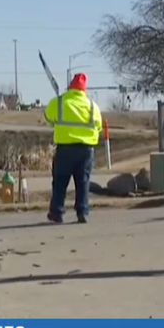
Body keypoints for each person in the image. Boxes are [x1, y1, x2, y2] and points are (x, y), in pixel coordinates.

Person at [43, 73, 103, 224]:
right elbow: (99, 126)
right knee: (83, 181)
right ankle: (82, 212)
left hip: (65, 148)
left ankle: (57, 212)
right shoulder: (92, 106)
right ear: (84, 89)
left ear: (70, 86)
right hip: (86, 149)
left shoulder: (59, 101)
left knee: (60, 181)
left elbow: (48, 117)